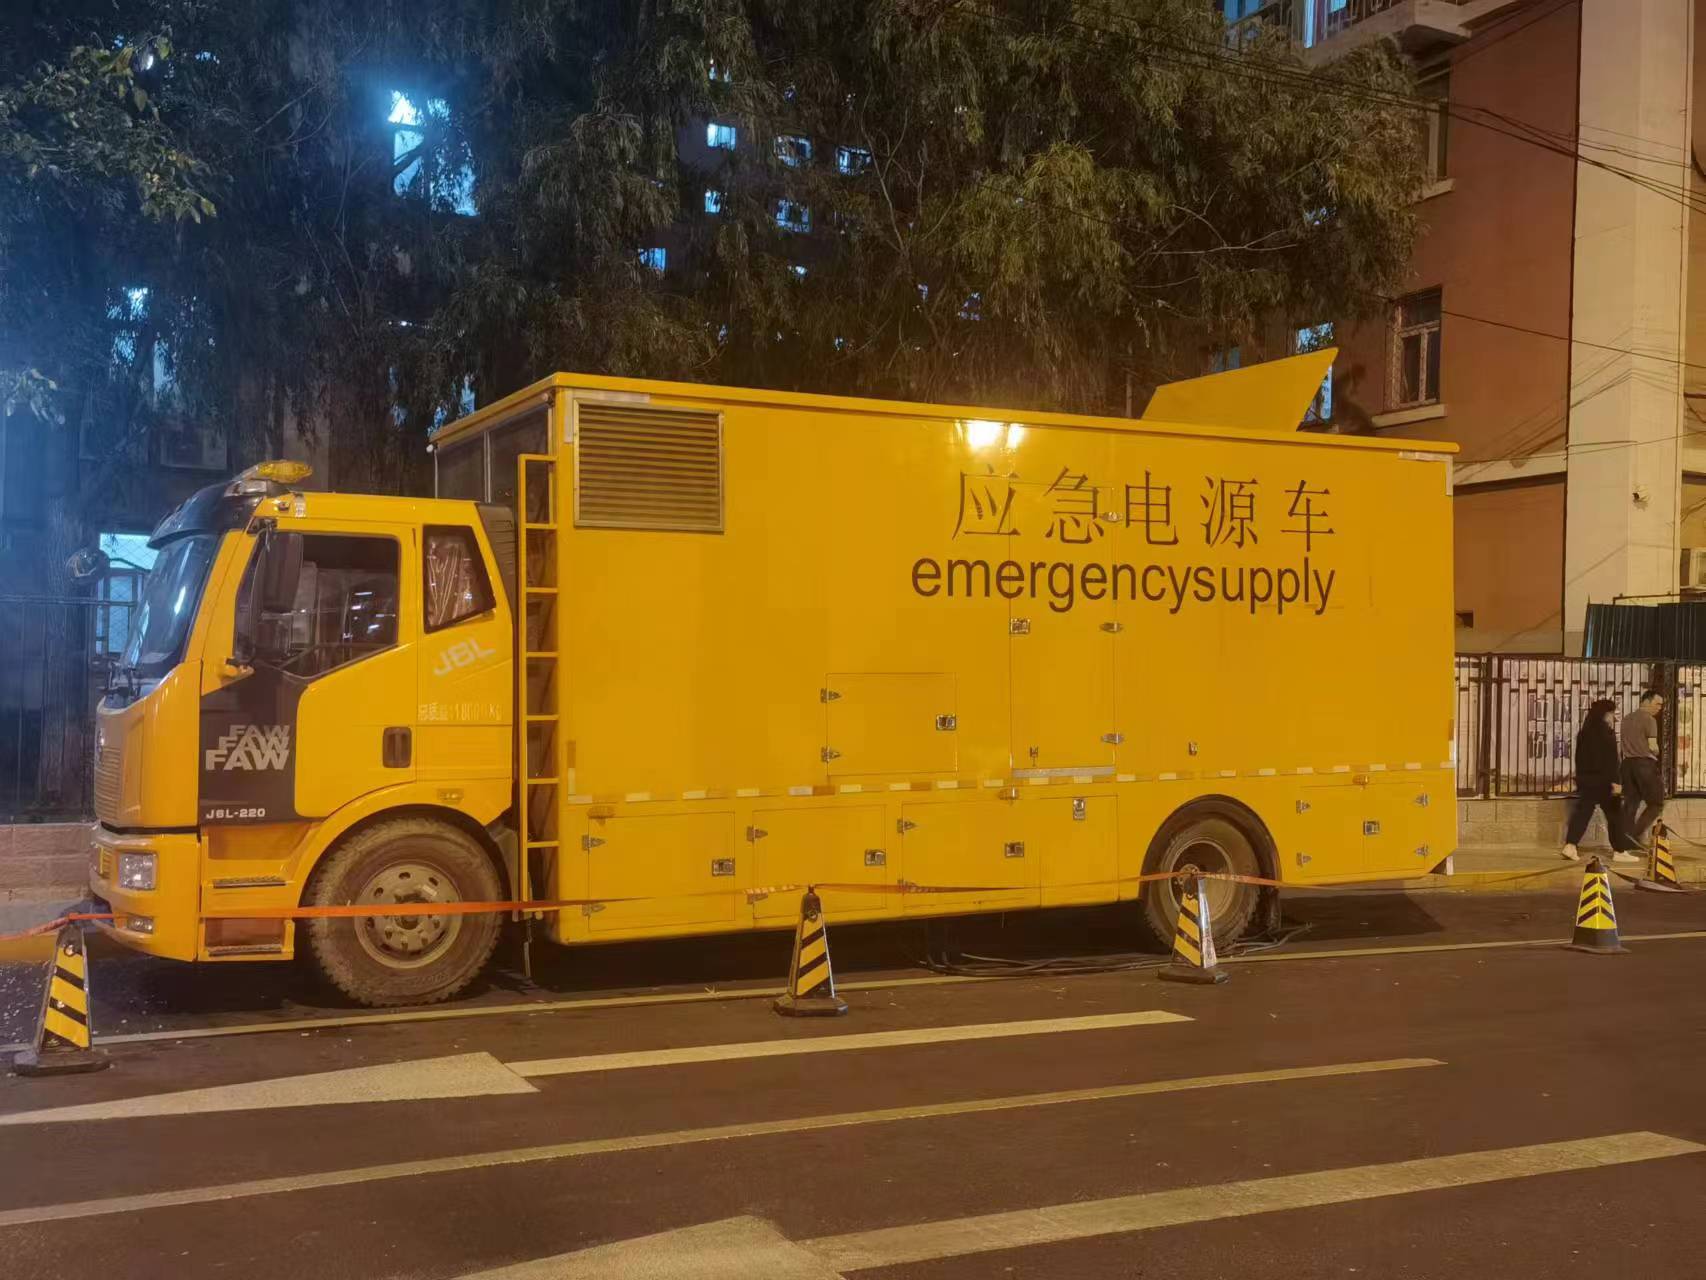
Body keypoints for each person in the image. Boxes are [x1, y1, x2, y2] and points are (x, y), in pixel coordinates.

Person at [1562, 700, 1640, 863]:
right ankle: (1619, 851)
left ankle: (1570, 845)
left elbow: (1580, 759)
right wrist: (1615, 782)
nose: (1614, 717)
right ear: (1605, 714)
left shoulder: (1584, 732)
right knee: (1615, 816)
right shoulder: (1606, 733)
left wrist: (1582, 777)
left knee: (1583, 813)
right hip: (1605, 782)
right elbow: (1610, 761)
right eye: (1612, 713)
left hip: (1587, 780)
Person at [1619, 688, 1667, 848]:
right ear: (1646, 701)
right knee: (1656, 803)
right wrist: (1657, 751)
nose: (1659, 708)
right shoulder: (1649, 720)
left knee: (1631, 803)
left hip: (1627, 765)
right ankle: (1635, 835)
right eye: (1657, 704)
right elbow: (1653, 746)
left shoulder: (1626, 719)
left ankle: (1625, 840)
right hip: (1644, 765)